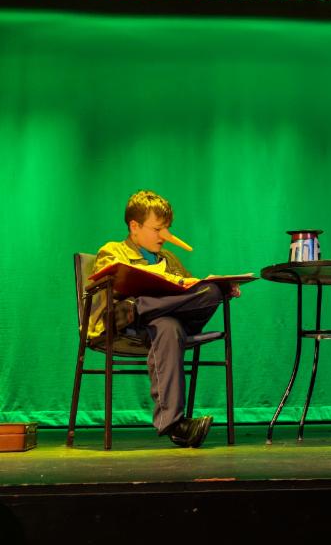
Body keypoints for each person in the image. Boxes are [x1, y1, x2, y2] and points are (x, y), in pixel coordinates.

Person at [88, 190, 237, 447]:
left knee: (211, 292)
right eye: (157, 229)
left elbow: (190, 292)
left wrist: (220, 288)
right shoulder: (112, 251)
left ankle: (141, 307)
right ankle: (175, 425)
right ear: (134, 226)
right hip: (130, 327)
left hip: (157, 315)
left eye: (167, 229)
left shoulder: (169, 258)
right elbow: (110, 285)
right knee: (167, 327)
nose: (164, 236)